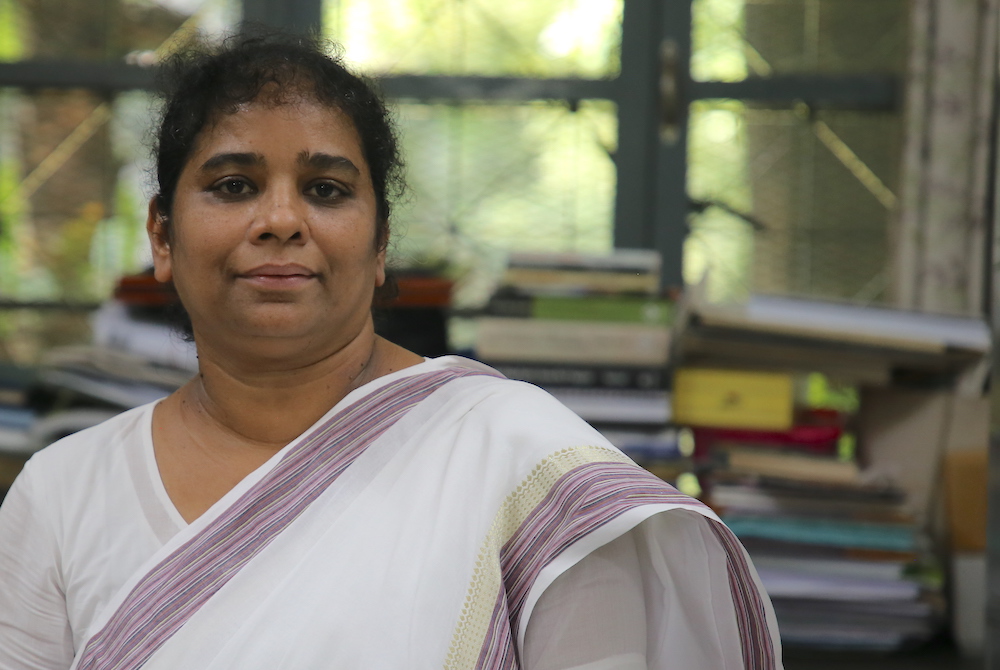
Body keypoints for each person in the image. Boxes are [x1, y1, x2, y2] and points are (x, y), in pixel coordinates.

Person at [0, 32, 782, 670]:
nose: (280, 220)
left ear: (380, 248)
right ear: (162, 238)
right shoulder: (64, 494)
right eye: (234, 185)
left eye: (328, 190)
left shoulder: (523, 467)